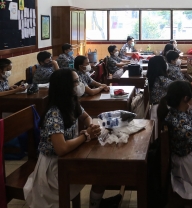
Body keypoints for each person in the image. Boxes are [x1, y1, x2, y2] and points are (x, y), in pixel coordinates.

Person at [24, 69, 120, 208]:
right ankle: (96, 203)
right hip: (54, 168)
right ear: (65, 86)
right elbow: (61, 148)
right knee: (100, 169)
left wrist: (91, 127)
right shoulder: (54, 113)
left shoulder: (71, 102)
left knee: (104, 165)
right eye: (75, 81)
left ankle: (96, 203)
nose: (79, 84)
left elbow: (86, 116)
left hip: (70, 155)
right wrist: (86, 135)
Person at [147, 56, 173, 138]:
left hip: (154, 106)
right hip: (162, 108)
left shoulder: (151, 78)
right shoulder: (162, 79)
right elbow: (177, 86)